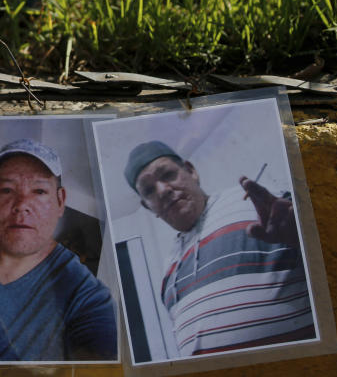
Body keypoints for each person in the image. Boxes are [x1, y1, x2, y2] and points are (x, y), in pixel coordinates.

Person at [124, 140, 316, 357]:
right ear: (147, 206)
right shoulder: (168, 272)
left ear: (191, 171)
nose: (162, 190)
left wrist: (303, 235)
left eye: (168, 175)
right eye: (149, 191)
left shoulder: (254, 202)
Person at [0, 139, 117, 362]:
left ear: (60, 202)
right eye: (7, 189)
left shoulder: (87, 299)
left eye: (39, 191)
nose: (21, 204)